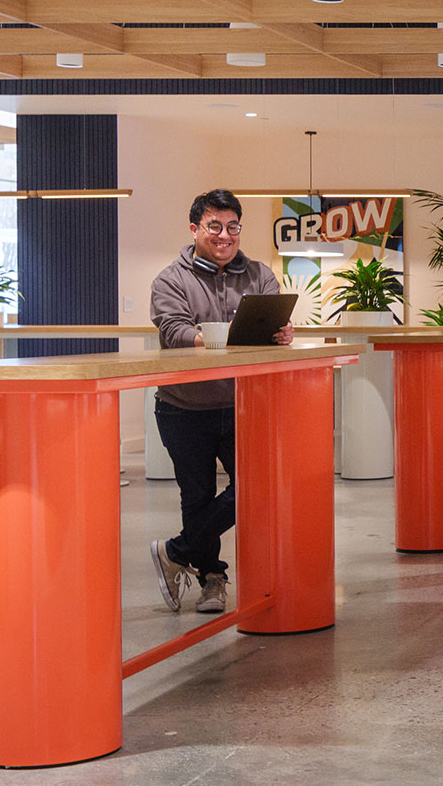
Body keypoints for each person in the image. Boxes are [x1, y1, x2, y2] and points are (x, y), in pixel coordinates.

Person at [147, 189, 294, 616]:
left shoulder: (261, 275)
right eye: (214, 226)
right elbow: (173, 330)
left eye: (232, 227)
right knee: (196, 496)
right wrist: (209, 339)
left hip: (243, 404)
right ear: (195, 229)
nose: (224, 235)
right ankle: (212, 581)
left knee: (254, 486)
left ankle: (175, 551)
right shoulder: (170, 279)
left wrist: (282, 335)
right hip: (183, 407)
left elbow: (271, 321)